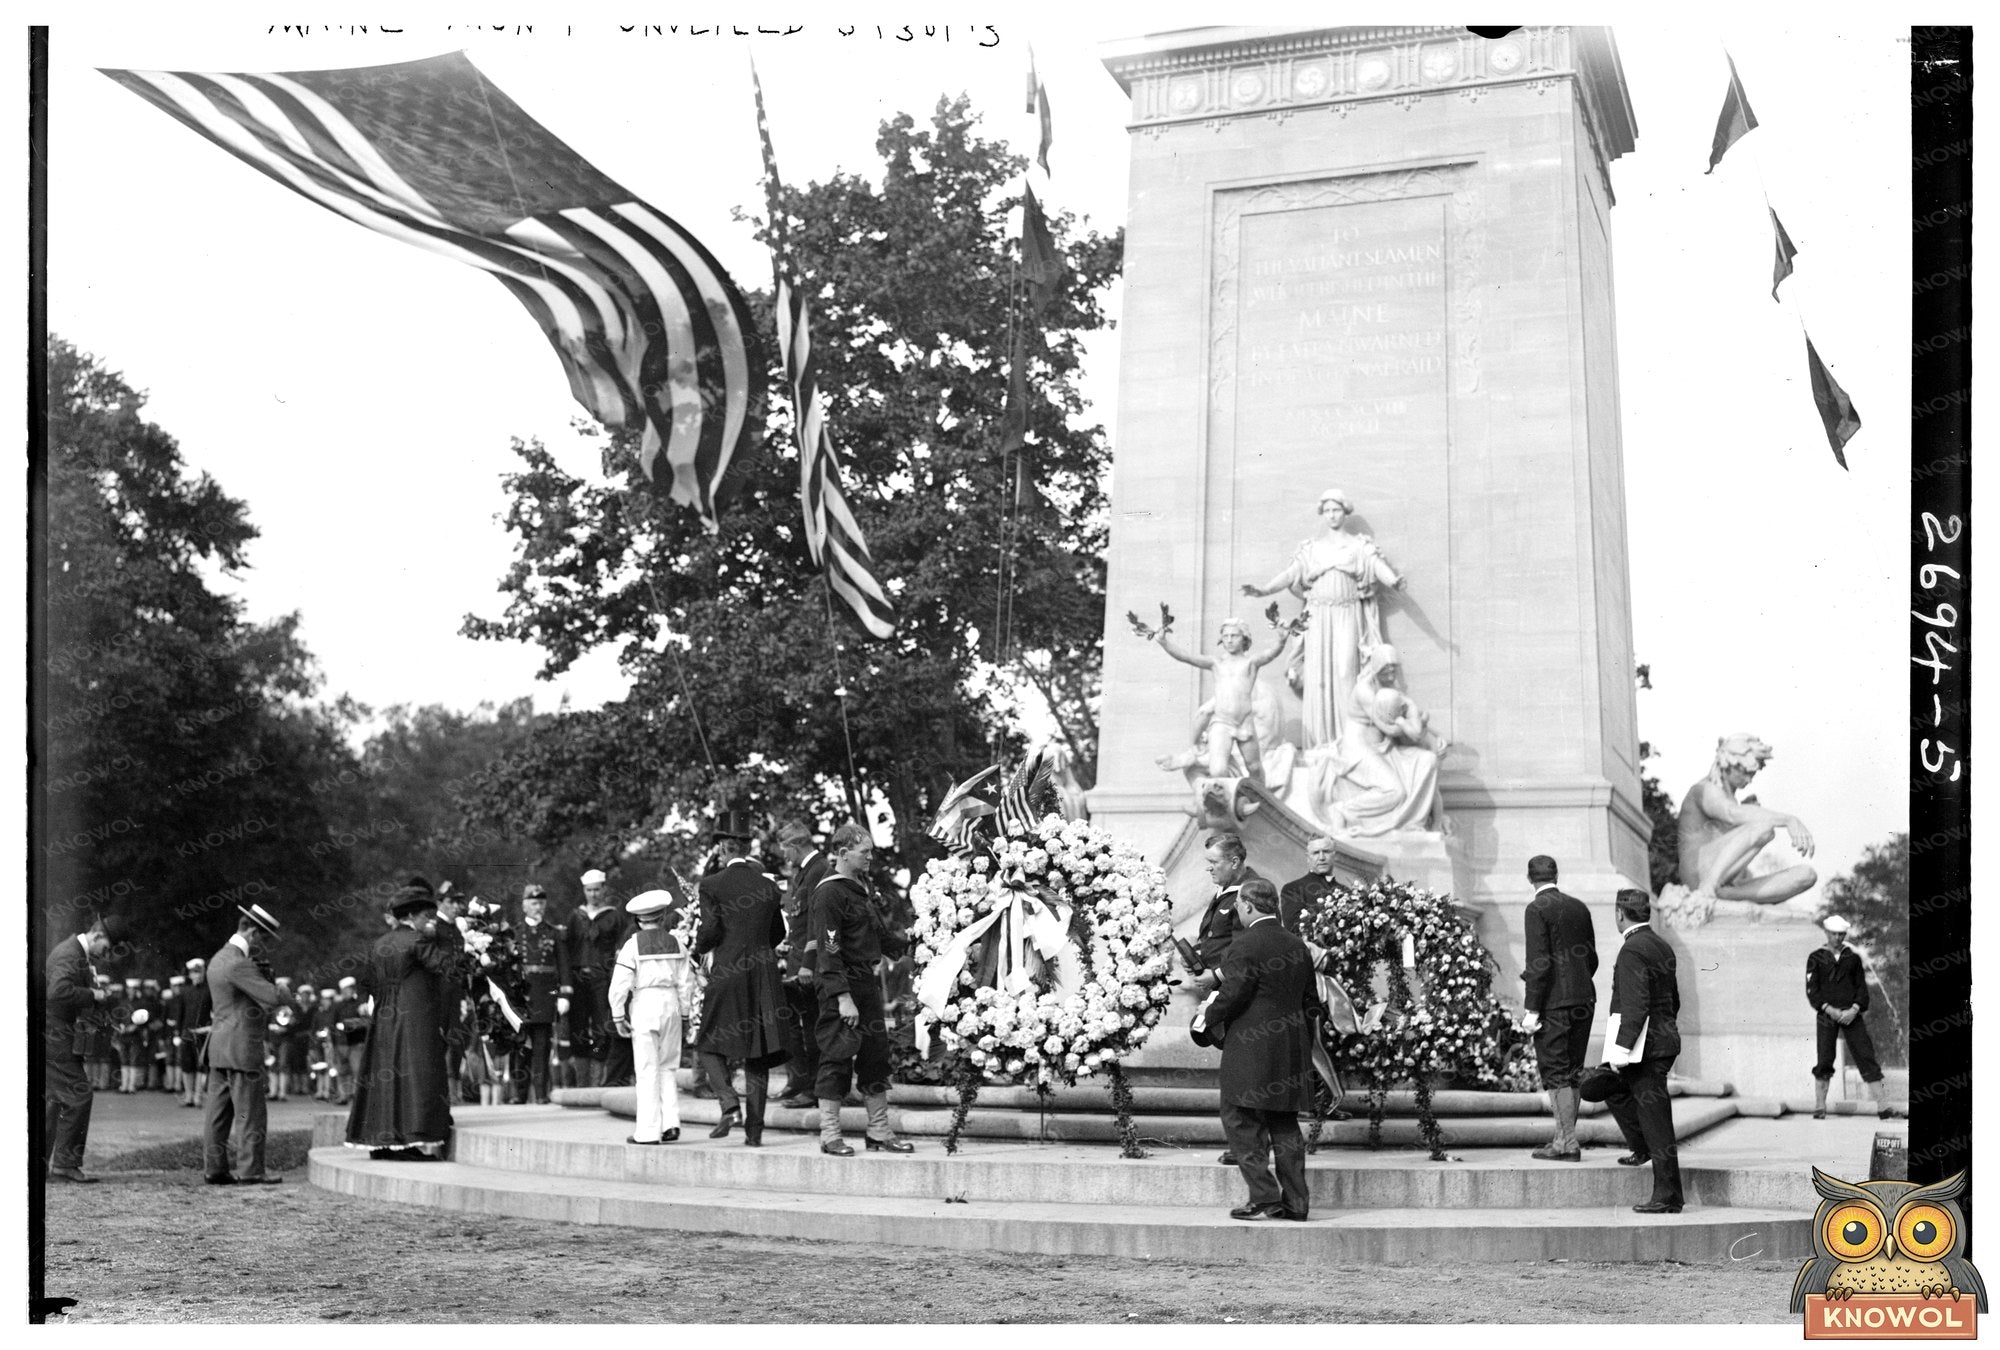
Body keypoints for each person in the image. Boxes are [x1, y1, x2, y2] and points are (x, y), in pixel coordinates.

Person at [1241, 486, 1405, 749]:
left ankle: (1350, 742)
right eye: (1327, 510)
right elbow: (1290, 574)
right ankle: (1320, 744)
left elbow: (1376, 565)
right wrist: (1264, 590)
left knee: (1344, 672)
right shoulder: (1312, 548)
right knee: (1318, 678)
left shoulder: (1358, 545)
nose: (1331, 515)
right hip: (1318, 618)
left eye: (1336, 509)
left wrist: (1393, 580)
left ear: (1345, 511)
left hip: (1347, 614)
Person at [1196, 878, 1316, 1222]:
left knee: (1239, 1119)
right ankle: (1296, 1202)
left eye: (1238, 907)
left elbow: (1233, 995)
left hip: (1252, 1049)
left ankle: (1264, 1197)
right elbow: (1312, 1001)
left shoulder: (1245, 944)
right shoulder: (1297, 944)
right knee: (1284, 1125)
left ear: (1247, 906)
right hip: (1291, 1049)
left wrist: (1205, 1018)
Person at [813, 825, 913, 1156]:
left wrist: (916, 940)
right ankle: (830, 1136)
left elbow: (880, 937)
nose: (871, 856)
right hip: (840, 986)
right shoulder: (829, 893)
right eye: (864, 851)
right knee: (837, 1058)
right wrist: (842, 998)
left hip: (867, 986)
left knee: (875, 1057)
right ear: (843, 854)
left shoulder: (860, 888)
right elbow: (829, 949)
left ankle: (879, 1132)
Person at [693, 814, 790, 1147]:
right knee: (759, 1054)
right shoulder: (768, 885)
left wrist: (698, 949)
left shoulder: (711, 885)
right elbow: (779, 931)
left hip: (728, 971)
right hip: (764, 975)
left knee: (706, 1042)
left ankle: (728, 1103)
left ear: (723, 847)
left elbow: (710, 931)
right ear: (749, 847)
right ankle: (755, 1133)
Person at [346, 878, 458, 1160]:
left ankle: (381, 1142)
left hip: (384, 1018)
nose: (429, 922)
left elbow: (368, 983)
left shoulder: (379, 943)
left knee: (385, 1077)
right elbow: (446, 967)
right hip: (414, 1018)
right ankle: (412, 1139)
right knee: (416, 1074)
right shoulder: (418, 939)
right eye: (425, 917)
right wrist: (457, 942)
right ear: (409, 916)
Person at [1597, 889, 1684, 1215]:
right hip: (1660, 1042)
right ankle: (1641, 1146)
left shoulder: (1632, 950)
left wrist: (1622, 1048)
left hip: (1644, 1048)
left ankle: (1668, 1197)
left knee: (1656, 1119)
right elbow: (1673, 1001)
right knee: (1609, 1087)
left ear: (1620, 913)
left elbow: (1636, 1006)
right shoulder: (1660, 945)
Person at [201, 904, 291, 1186]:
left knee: (217, 1114)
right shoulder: (240, 963)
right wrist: (285, 989)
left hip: (218, 1046)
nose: (261, 947)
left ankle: (214, 1169)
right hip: (241, 1047)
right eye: (262, 940)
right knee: (250, 1113)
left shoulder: (218, 958)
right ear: (252, 932)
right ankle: (251, 1170)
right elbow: (273, 996)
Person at [1519, 855, 1598, 1162]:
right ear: (1556, 875)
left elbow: (1539, 963)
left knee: (1555, 1073)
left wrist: (1532, 1009)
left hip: (1554, 1004)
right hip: (1584, 998)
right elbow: (1590, 959)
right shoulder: (1579, 906)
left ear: (1530, 879)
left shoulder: (1536, 908)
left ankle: (1566, 1142)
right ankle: (1562, 1138)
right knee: (1573, 1071)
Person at [1319, 643, 1446, 836]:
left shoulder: (1388, 688)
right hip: (1358, 749)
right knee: (1394, 791)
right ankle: (1343, 810)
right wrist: (1412, 727)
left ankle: (1413, 822)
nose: (1391, 675)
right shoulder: (1364, 690)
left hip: (1385, 749)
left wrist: (1435, 736)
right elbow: (1389, 726)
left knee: (1426, 760)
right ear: (1376, 668)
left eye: (1394, 670)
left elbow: (1411, 715)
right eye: (1386, 671)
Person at [1676, 733, 1817, 903]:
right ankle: (1708, 887)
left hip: (1727, 876)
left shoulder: (1730, 797)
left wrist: (1748, 813)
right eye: (1745, 773)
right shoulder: (1704, 789)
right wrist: (1788, 820)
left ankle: (1726, 895)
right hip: (1697, 872)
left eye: (1752, 774)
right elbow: (1731, 813)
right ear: (1728, 764)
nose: (1749, 780)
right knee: (1764, 827)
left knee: (1806, 875)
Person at [1150, 618, 1293, 783]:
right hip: (1221, 723)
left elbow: (1270, 654)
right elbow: (1186, 657)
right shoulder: (1216, 663)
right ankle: (1228, 793)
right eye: (1225, 636)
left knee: (1254, 767)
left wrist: (1281, 641)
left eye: (1234, 636)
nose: (1229, 640)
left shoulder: (1250, 663)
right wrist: (1164, 642)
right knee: (1217, 770)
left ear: (1244, 638)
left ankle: (1261, 798)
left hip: (1244, 723)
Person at [609, 890, 698, 1145]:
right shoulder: (677, 943)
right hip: (670, 1003)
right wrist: (684, 1014)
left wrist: (618, 1015)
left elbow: (620, 985)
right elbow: (686, 983)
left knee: (647, 1069)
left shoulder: (632, 945)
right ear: (663, 916)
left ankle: (648, 1131)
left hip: (645, 1004)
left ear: (639, 920)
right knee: (668, 1066)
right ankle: (671, 1123)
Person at [44, 913, 127, 1183]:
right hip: (56, 1036)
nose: (107, 953)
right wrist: (95, 994)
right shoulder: (70, 954)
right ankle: (65, 1164)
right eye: (108, 947)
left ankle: (42, 1164)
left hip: (55, 1035)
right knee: (79, 1096)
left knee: (55, 1101)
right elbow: (57, 993)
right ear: (98, 935)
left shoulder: (74, 952)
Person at [1807, 914, 1905, 1121]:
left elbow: (1862, 989)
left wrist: (1854, 1009)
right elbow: (1812, 991)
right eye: (1833, 934)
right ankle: (1819, 1106)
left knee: (1866, 1055)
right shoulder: (1815, 958)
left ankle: (1884, 1107)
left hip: (1852, 1015)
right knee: (1825, 1058)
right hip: (1827, 1015)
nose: (1837, 938)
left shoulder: (1852, 958)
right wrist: (1829, 1009)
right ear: (1826, 933)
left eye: (1841, 934)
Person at [775, 823, 832, 1110]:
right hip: (798, 964)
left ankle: (814, 1090)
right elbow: (799, 922)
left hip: (810, 967)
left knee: (813, 1029)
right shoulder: (804, 873)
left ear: (796, 846)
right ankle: (802, 1082)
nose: (784, 856)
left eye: (785, 849)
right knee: (799, 1026)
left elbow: (816, 924)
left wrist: (807, 965)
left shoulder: (818, 870)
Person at [561, 868, 628, 1089]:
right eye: (589, 890)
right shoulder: (575, 917)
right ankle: (582, 1082)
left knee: (601, 1026)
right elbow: (567, 948)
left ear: (603, 889)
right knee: (578, 1026)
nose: (593, 894)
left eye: (597, 890)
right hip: (579, 978)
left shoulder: (614, 916)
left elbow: (621, 947)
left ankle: (599, 1078)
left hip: (603, 978)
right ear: (584, 890)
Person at [510, 884, 568, 1105]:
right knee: (520, 1047)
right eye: (534, 903)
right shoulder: (515, 933)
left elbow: (563, 966)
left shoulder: (554, 933)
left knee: (542, 1048)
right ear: (524, 906)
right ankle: (519, 1093)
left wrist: (564, 995)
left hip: (545, 995)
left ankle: (541, 1094)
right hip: (521, 997)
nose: (538, 907)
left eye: (541, 903)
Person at [1278, 835, 1343, 935]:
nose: (1321, 858)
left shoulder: (1345, 891)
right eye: (1316, 853)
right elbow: (1294, 930)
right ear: (1308, 857)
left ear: (1335, 855)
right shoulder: (1293, 889)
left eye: (1326, 852)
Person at [178, 959, 211, 1107]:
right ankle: (189, 1096)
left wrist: (209, 1028)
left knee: (201, 1066)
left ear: (204, 973)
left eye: (199, 972)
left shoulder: (209, 990)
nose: (196, 975)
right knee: (186, 1065)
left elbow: (214, 1012)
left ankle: (198, 1096)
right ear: (190, 975)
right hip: (187, 1032)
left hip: (203, 1032)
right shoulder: (185, 991)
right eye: (193, 972)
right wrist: (177, 1032)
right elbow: (180, 1013)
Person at [333, 976, 369, 1103]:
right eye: (343, 990)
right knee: (342, 1071)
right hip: (341, 1042)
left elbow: (366, 1022)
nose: (345, 993)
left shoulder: (360, 1004)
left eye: (347, 990)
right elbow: (333, 1024)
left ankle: (357, 1096)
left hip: (356, 1042)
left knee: (357, 1071)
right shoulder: (338, 1006)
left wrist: (352, 1024)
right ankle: (343, 1095)